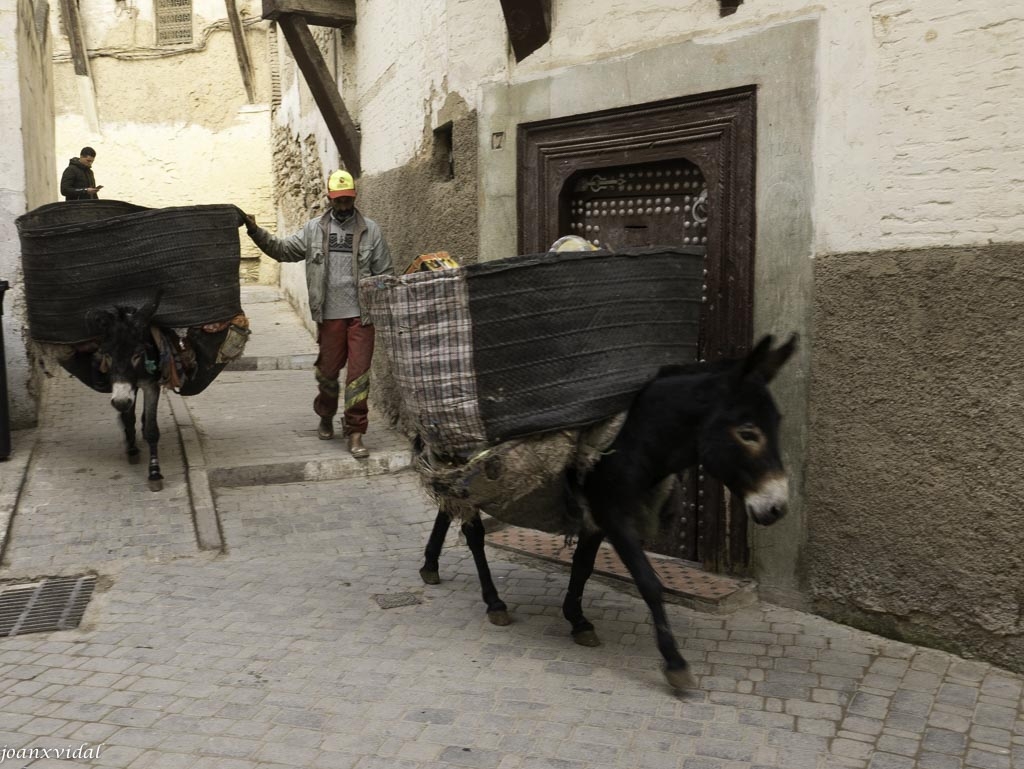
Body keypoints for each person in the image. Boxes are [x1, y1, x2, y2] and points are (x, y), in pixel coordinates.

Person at [243, 169, 393, 458]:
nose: (343, 206)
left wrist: (383, 297)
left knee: (359, 376)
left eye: (348, 200)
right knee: (327, 374)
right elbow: (283, 249)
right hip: (330, 316)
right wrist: (254, 231)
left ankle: (356, 432)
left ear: (354, 197)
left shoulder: (370, 230)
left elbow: (385, 272)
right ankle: (325, 414)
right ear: (329, 198)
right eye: (338, 200)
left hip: (361, 317)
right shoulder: (314, 229)